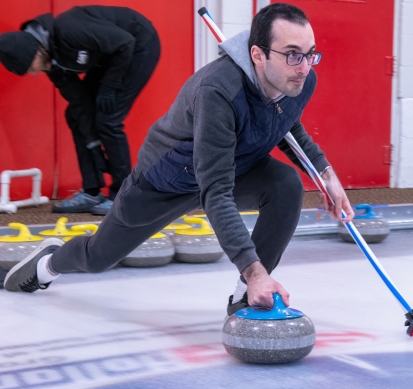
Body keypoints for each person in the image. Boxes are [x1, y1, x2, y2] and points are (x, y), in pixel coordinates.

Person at [3, 3, 354, 313]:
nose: (305, 66)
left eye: (311, 53)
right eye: (293, 53)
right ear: (258, 55)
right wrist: (254, 268)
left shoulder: (300, 80)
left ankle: (246, 295)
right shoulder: (218, 90)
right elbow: (214, 190)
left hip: (234, 166)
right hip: (166, 180)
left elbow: (288, 124)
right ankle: (47, 265)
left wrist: (326, 173)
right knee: (98, 257)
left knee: (285, 184)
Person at [0, 6, 161, 215]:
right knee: (75, 115)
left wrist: (110, 86)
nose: (33, 73)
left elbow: (125, 43)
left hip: (138, 45)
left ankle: (123, 195)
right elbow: (80, 104)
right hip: (111, 57)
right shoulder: (53, 66)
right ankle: (91, 190)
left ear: (37, 51)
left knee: (108, 119)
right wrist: (95, 149)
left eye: (30, 67)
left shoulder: (70, 30)